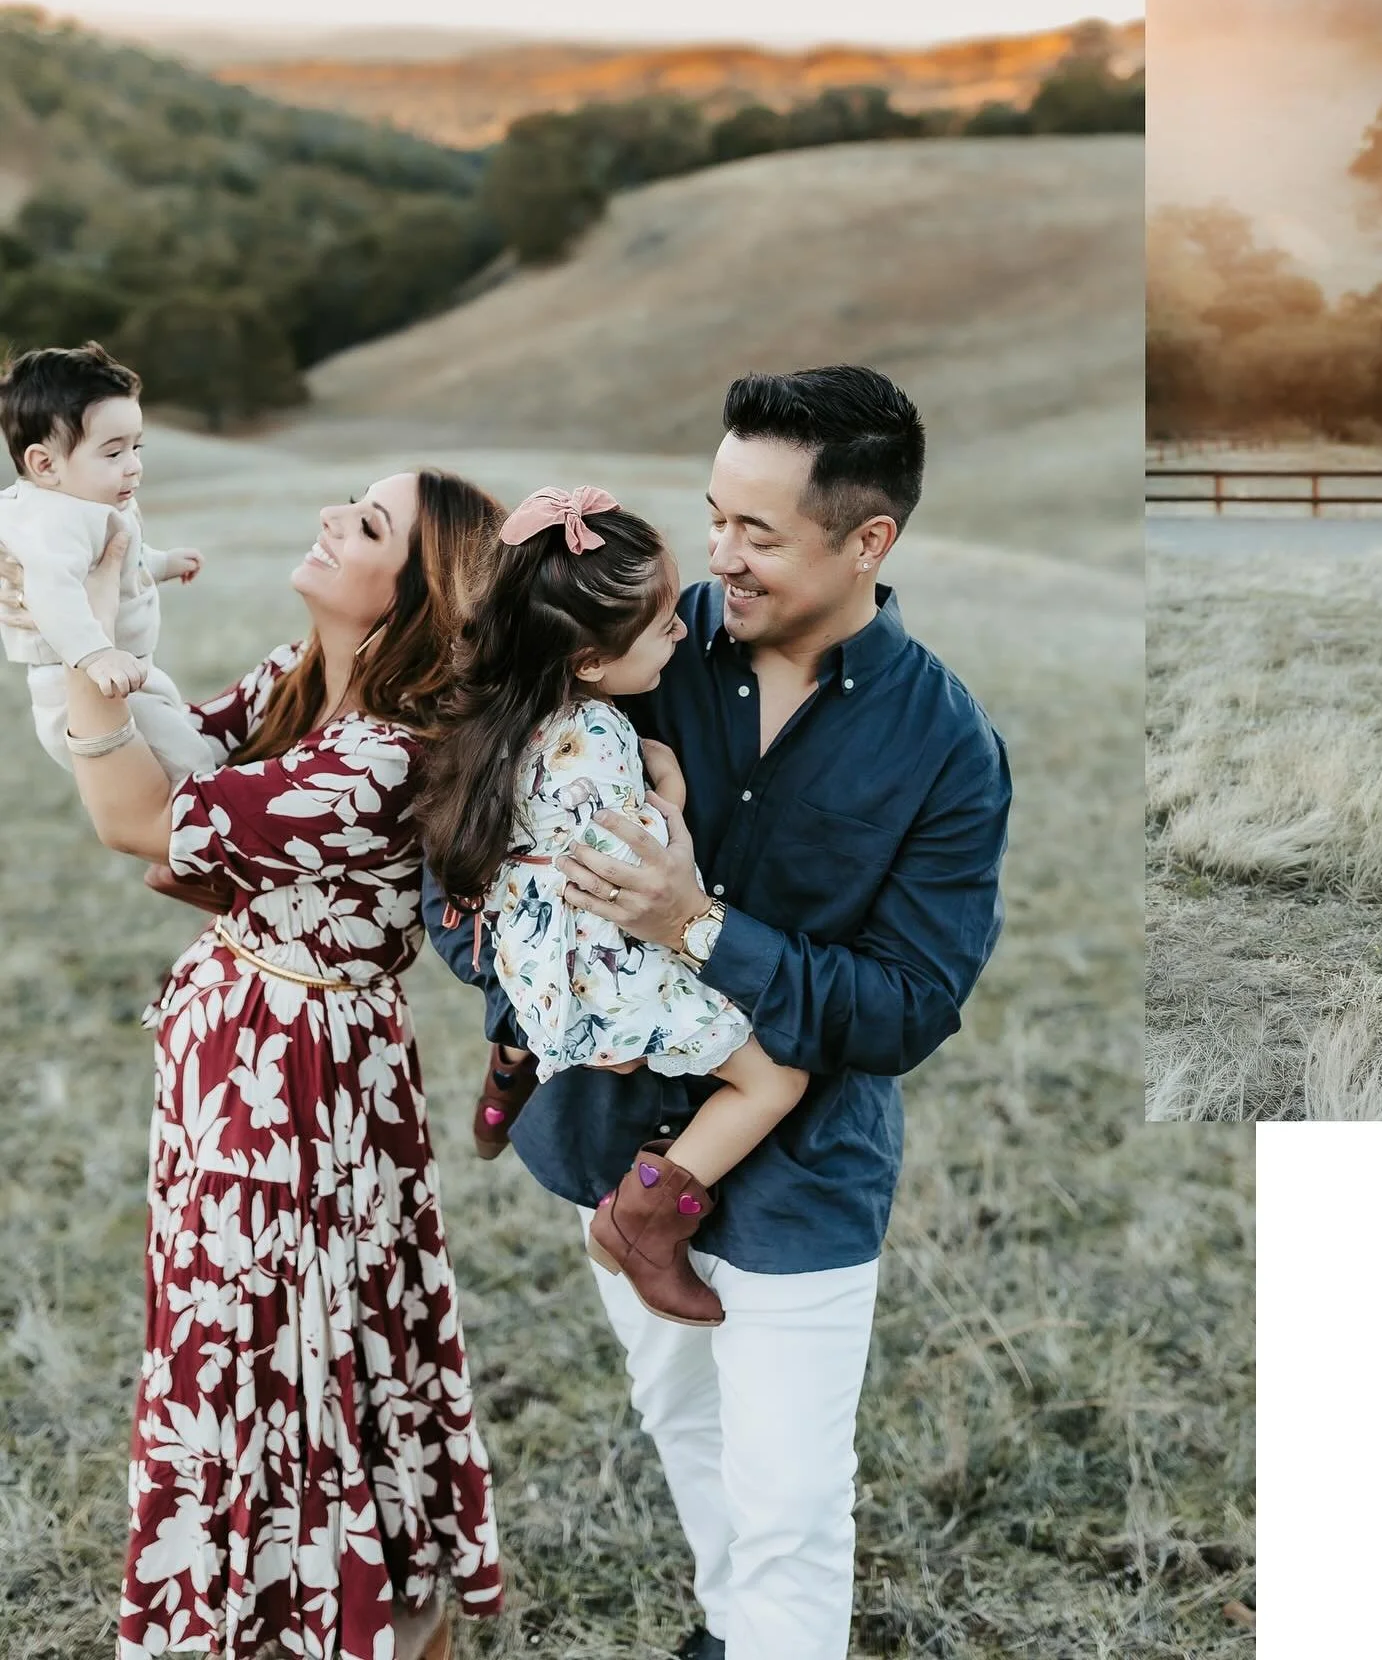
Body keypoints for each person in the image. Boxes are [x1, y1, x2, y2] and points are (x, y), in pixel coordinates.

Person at [422, 365, 1011, 1660]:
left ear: (869, 540)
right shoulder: (634, 638)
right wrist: (524, 973)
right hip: (603, 1138)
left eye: (758, 532)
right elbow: (467, 853)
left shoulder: (946, 746)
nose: (720, 559)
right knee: (687, 1429)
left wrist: (693, 925)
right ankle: (738, 1636)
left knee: (794, 1503)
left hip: (805, 1175)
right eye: (715, 514)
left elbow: (906, 1009)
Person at [1, 469, 507, 1660]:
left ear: (417, 597)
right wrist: (87, 629)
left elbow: (141, 821)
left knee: (293, 1350)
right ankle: (271, 1611)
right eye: (350, 503)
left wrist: (82, 639)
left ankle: (347, 1616)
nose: (333, 521)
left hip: (305, 1081)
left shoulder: (385, 751)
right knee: (242, 1342)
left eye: (369, 526)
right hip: (241, 1047)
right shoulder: (304, 672)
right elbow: (183, 773)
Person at [418, 485, 807, 1329]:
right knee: (774, 1081)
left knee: (613, 1048)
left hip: (533, 956)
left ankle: (515, 1061)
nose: (680, 630)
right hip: (605, 965)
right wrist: (668, 789)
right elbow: (640, 871)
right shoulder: (598, 734)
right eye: (661, 622)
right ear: (590, 661)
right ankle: (639, 1224)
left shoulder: (507, 720)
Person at [0, 342, 213, 781]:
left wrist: (163, 563)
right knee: (190, 767)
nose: (133, 466)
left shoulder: (93, 499)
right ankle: (203, 836)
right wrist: (96, 654)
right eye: (114, 453)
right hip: (78, 685)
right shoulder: (53, 522)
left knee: (184, 741)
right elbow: (52, 594)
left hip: (129, 670)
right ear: (44, 464)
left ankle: (179, 834)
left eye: (137, 447)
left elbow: (118, 567)